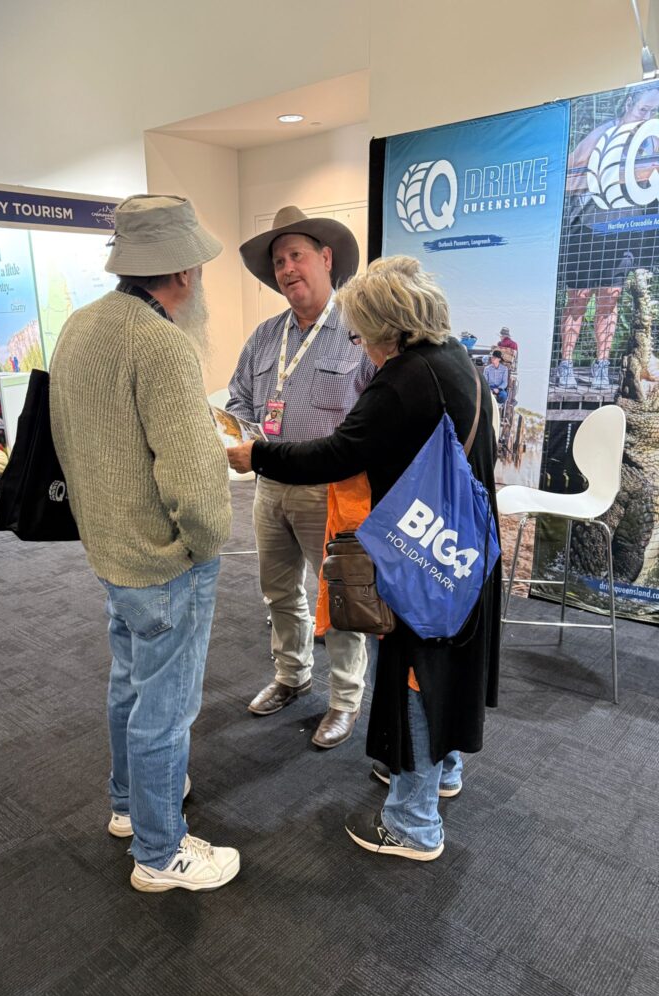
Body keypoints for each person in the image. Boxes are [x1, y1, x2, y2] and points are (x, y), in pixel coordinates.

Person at [227, 255, 500, 861]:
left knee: (415, 673)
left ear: (387, 326)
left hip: (418, 555)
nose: (360, 345)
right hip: (458, 549)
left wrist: (260, 456)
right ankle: (441, 770)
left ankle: (412, 823)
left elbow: (339, 453)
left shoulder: (404, 379)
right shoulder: (457, 361)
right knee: (443, 665)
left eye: (361, 333)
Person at [50, 195, 238, 893]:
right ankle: (161, 855)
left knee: (130, 683)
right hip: (165, 560)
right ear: (183, 272)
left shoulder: (80, 326)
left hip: (109, 551)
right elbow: (194, 478)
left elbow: (67, 439)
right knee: (168, 705)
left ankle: (130, 806)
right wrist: (205, 545)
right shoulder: (162, 344)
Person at [227, 206, 376, 748]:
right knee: (279, 592)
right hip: (270, 486)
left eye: (297, 255)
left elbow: (376, 412)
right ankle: (292, 676)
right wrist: (244, 434)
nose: (288, 268)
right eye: (279, 260)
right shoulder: (266, 335)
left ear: (326, 259)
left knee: (337, 597)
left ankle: (345, 698)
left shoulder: (359, 334)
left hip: (331, 490)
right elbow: (240, 396)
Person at [556, 85, 659, 391]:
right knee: (578, 298)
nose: (647, 116)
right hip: (587, 230)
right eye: (643, 110)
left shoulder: (651, 138)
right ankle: (566, 365)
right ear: (629, 103)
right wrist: (612, 177)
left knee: (610, 300)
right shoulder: (602, 134)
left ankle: (602, 366)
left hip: (624, 231)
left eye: (652, 112)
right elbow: (566, 179)